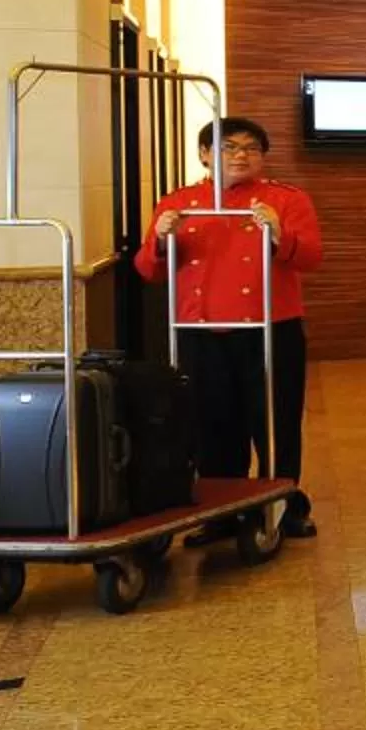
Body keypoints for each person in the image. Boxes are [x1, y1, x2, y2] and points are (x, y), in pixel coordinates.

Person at [134, 116, 324, 536]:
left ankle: (282, 505)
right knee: (210, 423)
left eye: (251, 148)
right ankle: (220, 515)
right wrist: (160, 240)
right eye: (228, 147)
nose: (241, 155)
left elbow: (310, 257)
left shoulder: (286, 200)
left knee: (275, 421)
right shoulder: (178, 202)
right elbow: (147, 270)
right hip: (200, 332)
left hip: (272, 328)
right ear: (204, 154)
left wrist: (278, 234)